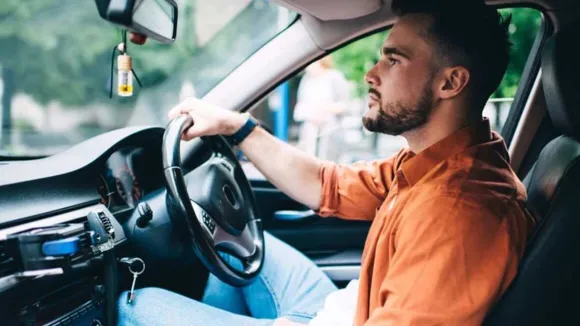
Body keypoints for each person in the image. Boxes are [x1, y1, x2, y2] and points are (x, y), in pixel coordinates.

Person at [118, 0, 536, 325]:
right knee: (230, 247)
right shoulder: (437, 161)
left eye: (394, 60)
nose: (371, 74)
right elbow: (328, 185)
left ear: (450, 82)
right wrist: (237, 126)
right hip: (345, 308)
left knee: (137, 305)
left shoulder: (459, 214)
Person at [293, 56, 350, 161]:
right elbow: (302, 103)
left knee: (326, 163)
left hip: (329, 131)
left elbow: (343, 106)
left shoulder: (334, 77)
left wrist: (320, 108)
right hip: (310, 131)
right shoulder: (307, 79)